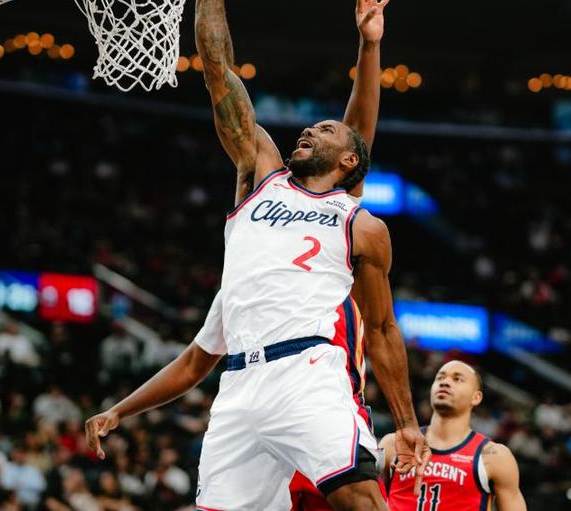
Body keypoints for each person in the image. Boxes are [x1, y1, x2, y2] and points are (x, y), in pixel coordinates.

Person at [86, 1, 430, 509]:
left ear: (348, 160)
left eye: (325, 130)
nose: (309, 130)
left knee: (360, 501)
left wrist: (406, 423)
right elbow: (218, 71)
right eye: (311, 128)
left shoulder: (357, 221)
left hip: (308, 371)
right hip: (239, 385)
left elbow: (381, 329)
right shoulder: (262, 176)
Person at [381, 361, 527, 511]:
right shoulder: (393, 444)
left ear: (476, 397)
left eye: (457, 379)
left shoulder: (494, 456)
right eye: (440, 378)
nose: (445, 382)